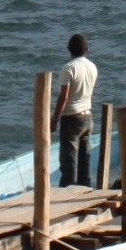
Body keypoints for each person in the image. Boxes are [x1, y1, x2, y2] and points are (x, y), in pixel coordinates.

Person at [52, 32, 98, 187]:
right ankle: (85, 189)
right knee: (85, 158)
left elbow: (64, 97)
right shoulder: (92, 66)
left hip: (72, 117)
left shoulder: (68, 68)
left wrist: (54, 118)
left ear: (68, 49)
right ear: (86, 49)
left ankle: (65, 193)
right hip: (88, 115)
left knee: (68, 161)